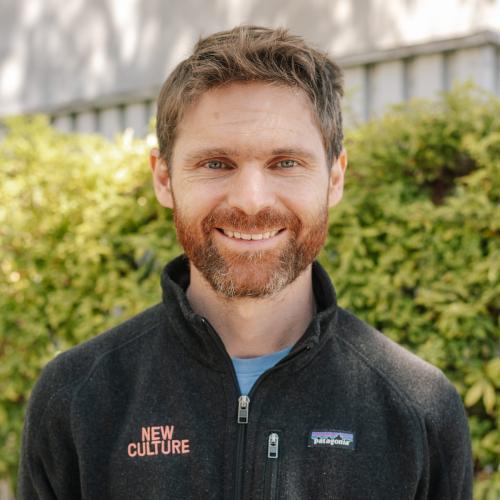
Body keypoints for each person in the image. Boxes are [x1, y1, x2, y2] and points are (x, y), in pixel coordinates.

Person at [19, 25, 472, 499]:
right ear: (164, 178)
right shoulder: (77, 398)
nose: (251, 200)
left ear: (334, 178)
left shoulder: (419, 409)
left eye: (286, 163)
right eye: (216, 163)